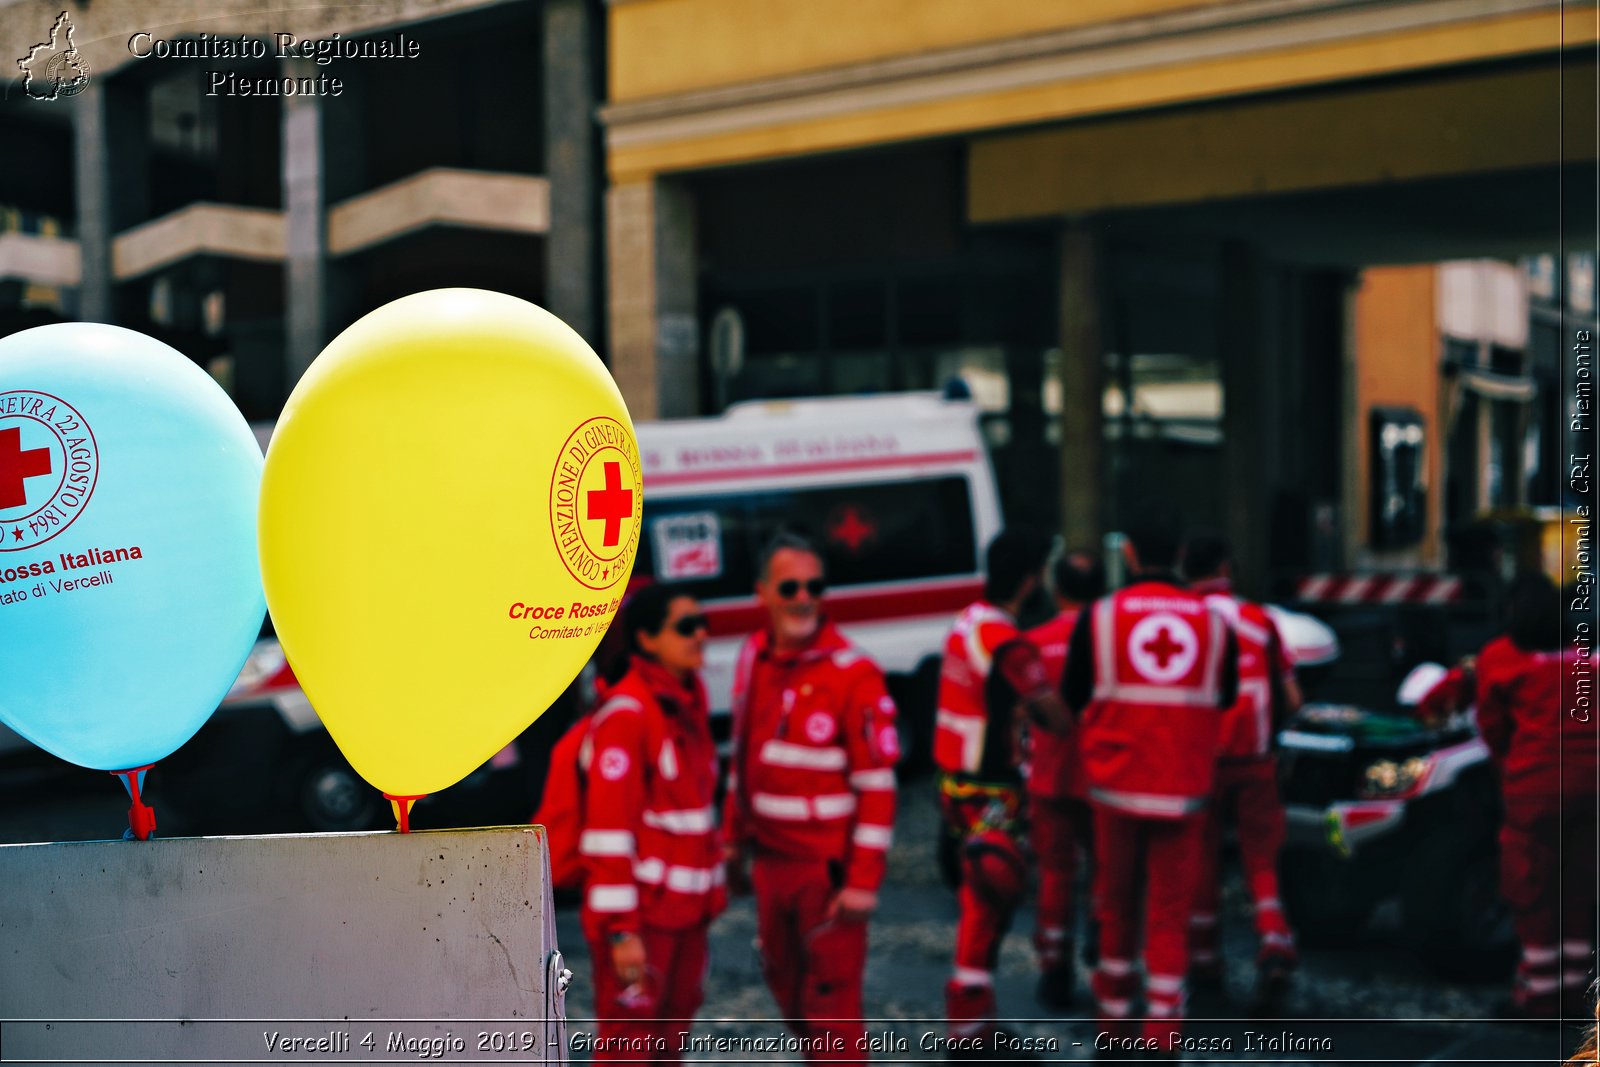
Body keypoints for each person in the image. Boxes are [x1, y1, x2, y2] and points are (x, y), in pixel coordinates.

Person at [1061, 504, 1237, 1054]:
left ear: (1129, 554)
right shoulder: (1213, 621)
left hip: (1116, 787)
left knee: (1115, 904)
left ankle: (1111, 1024)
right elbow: (1224, 696)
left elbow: (1072, 697)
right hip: (1183, 788)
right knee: (1168, 910)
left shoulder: (1101, 616)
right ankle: (1163, 1030)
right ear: (1181, 557)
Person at [723, 533, 900, 1062]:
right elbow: (744, 759)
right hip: (770, 866)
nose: (804, 597)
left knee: (832, 1009)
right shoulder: (754, 656)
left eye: (814, 586)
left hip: (826, 873)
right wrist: (733, 843)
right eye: (790, 586)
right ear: (763, 592)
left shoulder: (854, 673)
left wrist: (864, 881)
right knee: (788, 995)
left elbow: (878, 785)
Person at [1434, 573, 1596, 1019]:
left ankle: (1539, 996)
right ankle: (1575, 994)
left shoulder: (1501, 657)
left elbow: (1491, 725)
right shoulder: (1588, 658)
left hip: (1536, 786)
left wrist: (1507, 769)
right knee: (1578, 886)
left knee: (1531, 886)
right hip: (1593, 787)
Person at [574, 584, 724, 1063]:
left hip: (685, 917)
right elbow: (607, 834)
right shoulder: (628, 715)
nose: (700, 633)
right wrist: (623, 932)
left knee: (668, 1048)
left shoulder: (684, 704)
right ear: (646, 639)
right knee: (628, 1051)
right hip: (643, 923)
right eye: (685, 626)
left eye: (703, 623)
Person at [935, 527, 1070, 1047]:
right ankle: (969, 1031)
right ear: (1032, 579)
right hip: (989, 789)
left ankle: (979, 1022)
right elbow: (1055, 719)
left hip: (954, 783)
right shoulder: (1008, 643)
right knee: (986, 902)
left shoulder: (968, 622)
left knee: (979, 897)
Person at [1182, 532, 1301, 1012]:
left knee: (1201, 860)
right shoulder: (1259, 619)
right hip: (1254, 760)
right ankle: (1274, 943)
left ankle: (1206, 962)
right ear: (1226, 568)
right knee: (1260, 859)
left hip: (1198, 763)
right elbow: (1292, 698)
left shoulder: (1182, 621)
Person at [1024, 549, 1106, 1009]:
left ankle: (1054, 966)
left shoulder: (1032, 641)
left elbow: (1020, 710)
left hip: (1050, 776)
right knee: (1104, 868)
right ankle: (1100, 938)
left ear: (1056, 590)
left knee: (1055, 875)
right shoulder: (1109, 639)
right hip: (1100, 778)